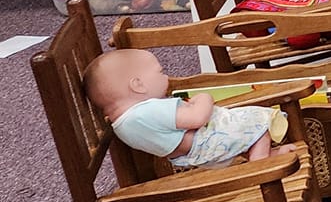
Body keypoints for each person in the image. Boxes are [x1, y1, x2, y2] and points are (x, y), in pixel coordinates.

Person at [83, 48, 288, 169]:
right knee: (257, 120)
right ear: (138, 85)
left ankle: (260, 154)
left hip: (194, 155)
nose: (166, 76)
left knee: (244, 125)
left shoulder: (122, 125)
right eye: (160, 72)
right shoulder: (148, 110)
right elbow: (197, 118)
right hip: (208, 142)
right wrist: (204, 98)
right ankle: (261, 163)